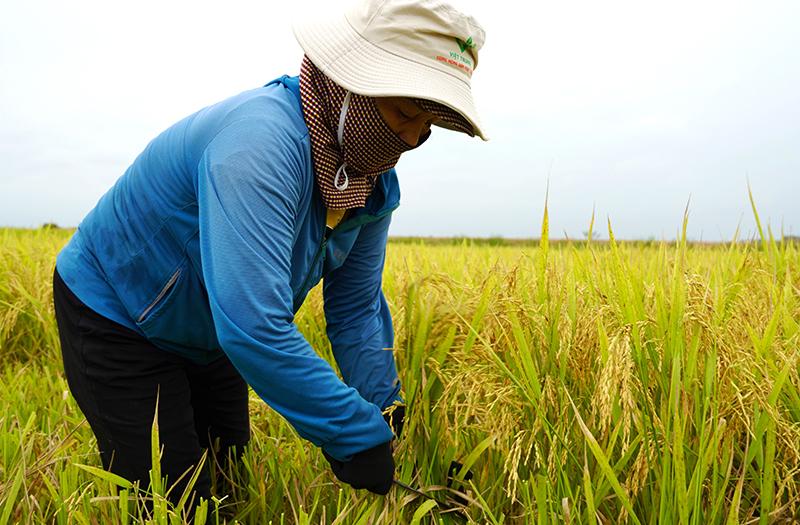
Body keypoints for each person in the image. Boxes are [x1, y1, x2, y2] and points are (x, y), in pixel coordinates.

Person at [52, 0, 487, 511]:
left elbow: (356, 310)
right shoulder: (259, 147)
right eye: (405, 113)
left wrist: (382, 413)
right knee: (174, 499)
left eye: (427, 123)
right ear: (351, 82)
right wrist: (351, 433)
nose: (412, 138)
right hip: (116, 313)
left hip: (210, 328)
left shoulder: (371, 185)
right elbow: (253, 326)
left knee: (228, 484)